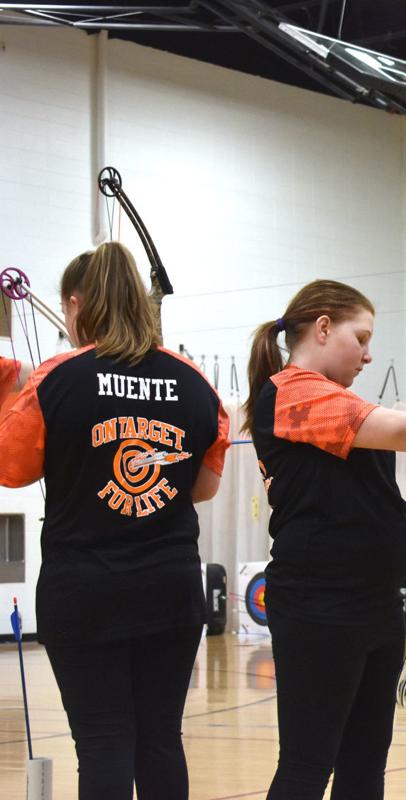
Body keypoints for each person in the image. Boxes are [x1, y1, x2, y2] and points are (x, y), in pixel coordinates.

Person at [0, 242, 230, 800]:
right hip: (169, 589)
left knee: (103, 744)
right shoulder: (195, 383)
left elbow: (11, 468)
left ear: (76, 306)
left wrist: (12, 389)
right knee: (159, 743)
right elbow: (201, 486)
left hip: (85, 591)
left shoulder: (55, 379)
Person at [243, 279, 406, 799]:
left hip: (375, 609)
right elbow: (398, 430)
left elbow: (385, 519)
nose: (369, 355)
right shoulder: (291, 394)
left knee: (363, 768)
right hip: (318, 606)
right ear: (324, 327)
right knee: (308, 766)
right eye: (362, 337)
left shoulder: (348, 411)